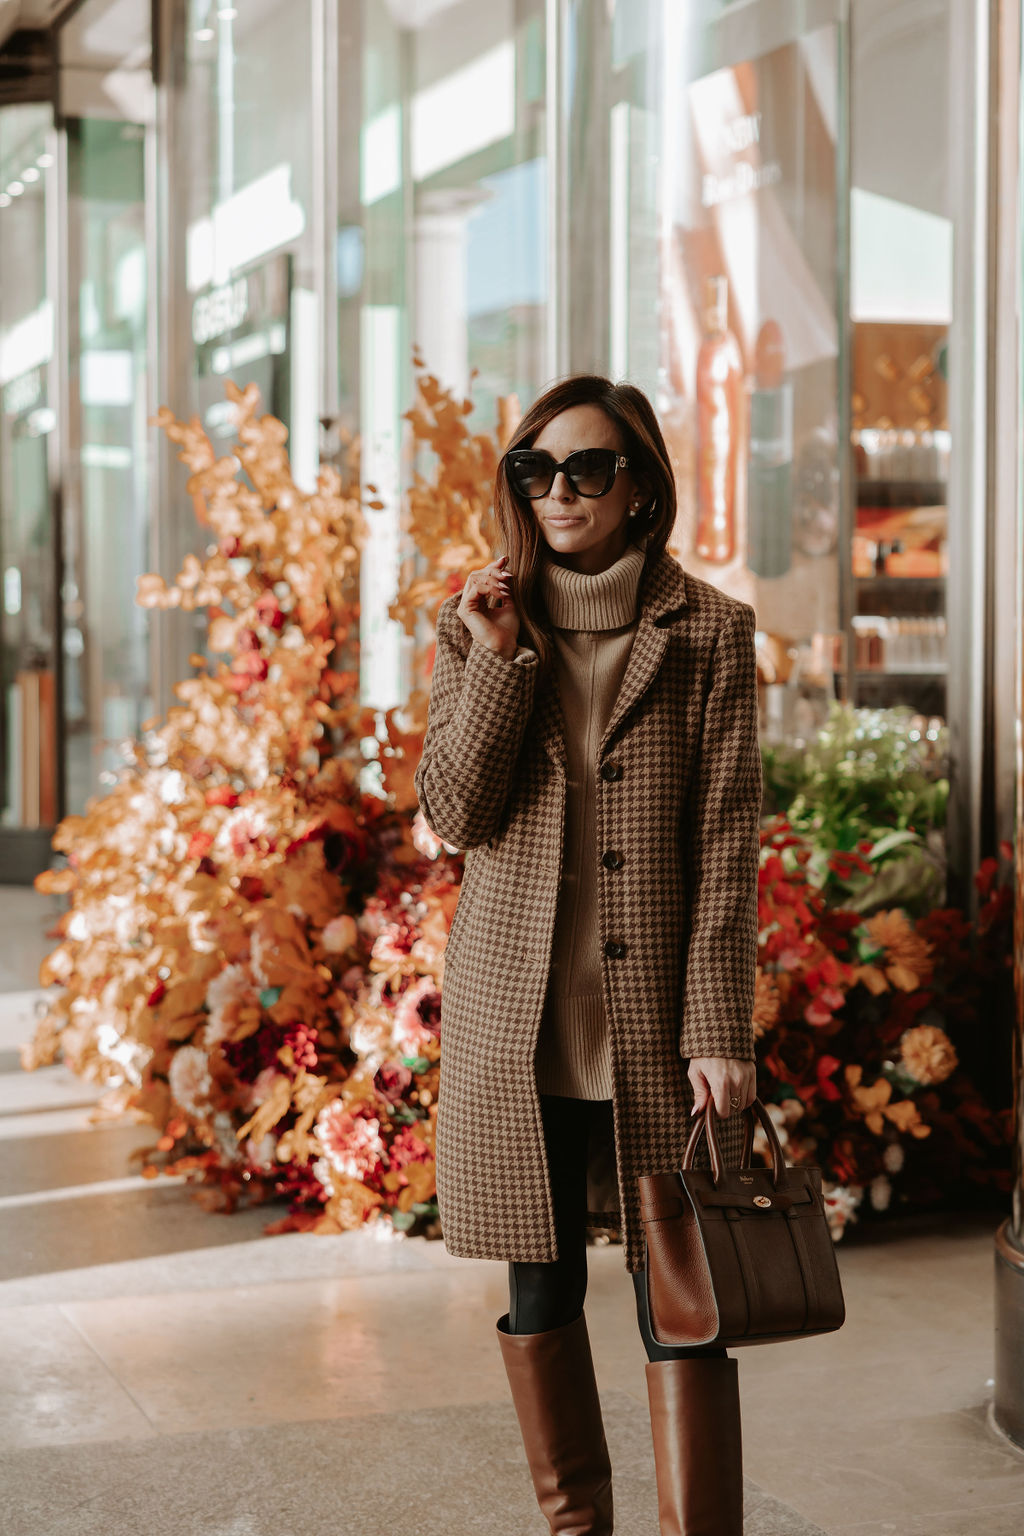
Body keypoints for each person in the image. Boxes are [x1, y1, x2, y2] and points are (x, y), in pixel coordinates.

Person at [414, 374, 761, 1536]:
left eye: (585, 468)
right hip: (519, 1019)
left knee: (683, 1290)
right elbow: (455, 813)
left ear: (639, 490)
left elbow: (724, 847)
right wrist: (501, 659)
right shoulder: (475, 623)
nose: (557, 491)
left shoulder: (710, 631)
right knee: (540, 1282)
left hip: (653, 1020)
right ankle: (578, 1529)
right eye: (534, 470)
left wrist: (718, 1030)